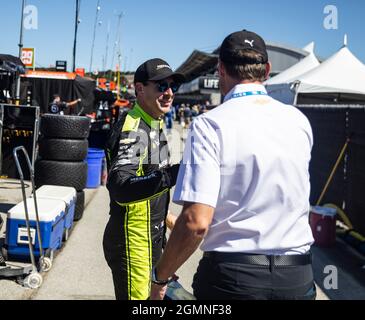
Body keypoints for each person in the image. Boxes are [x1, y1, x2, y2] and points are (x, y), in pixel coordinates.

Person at [150, 30, 316, 300]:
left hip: (234, 278)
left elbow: (196, 223)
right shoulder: (299, 122)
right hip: (297, 276)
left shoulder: (210, 124)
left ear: (221, 70)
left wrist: (161, 277)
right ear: (267, 70)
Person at [103, 58, 185, 300]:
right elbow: (121, 188)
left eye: (172, 87)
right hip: (133, 243)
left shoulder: (153, 122)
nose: (168, 93)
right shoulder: (136, 128)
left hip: (152, 238)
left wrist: (168, 220)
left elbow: (148, 180)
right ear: (139, 89)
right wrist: (175, 174)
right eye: (161, 86)